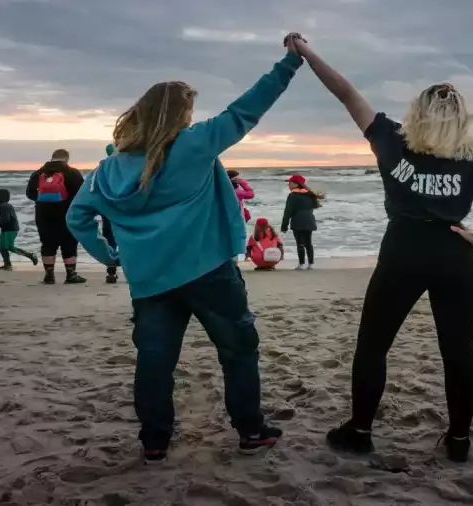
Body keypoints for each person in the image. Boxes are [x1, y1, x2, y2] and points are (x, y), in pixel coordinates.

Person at [289, 35, 473, 462]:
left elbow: (346, 92)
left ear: (416, 111)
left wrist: (306, 52)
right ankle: (458, 442)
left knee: (373, 347)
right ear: (460, 118)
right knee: (458, 352)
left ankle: (360, 432)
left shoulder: (390, 138)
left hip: (402, 254)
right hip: (455, 258)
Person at [66, 32, 305, 461]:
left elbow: (76, 218)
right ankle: (250, 431)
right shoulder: (194, 145)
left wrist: (109, 256)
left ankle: (155, 442)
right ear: (179, 115)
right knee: (237, 350)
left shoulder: (106, 170)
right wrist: (290, 62)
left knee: (155, 362)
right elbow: (248, 109)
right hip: (209, 272)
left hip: (150, 280)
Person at [26, 149, 86, 284]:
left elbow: (30, 194)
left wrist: (42, 200)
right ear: (66, 159)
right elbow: (82, 193)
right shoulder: (72, 173)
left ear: (52, 158)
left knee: (47, 243)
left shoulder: (38, 173)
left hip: (43, 214)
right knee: (69, 243)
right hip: (67, 213)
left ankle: (49, 276)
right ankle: (71, 274)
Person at [280, 174, 323, 270]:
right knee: (308, 243)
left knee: (300, 243)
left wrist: (284, 226)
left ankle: (302, 264)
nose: (289, 185)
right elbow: (314, 206)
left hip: (298, 221)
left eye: (290, 183)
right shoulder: (309, 194)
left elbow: (288, 212)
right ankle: (311, 263)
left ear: (296, 184)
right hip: (309, 220)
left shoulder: (292, 196)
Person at [0, 189, 39, 270]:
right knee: (7, 246)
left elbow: (6, 219)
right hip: (11, 229)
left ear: (0, 198)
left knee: (3, 247)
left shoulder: (3, 206)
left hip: (9, 230)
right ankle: (10, 263)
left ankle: (9, 264)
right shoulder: (7, 205)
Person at [101, 144, 120, 284]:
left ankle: (111, 271)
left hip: (107, 209)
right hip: (125, 209)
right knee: (129, 239)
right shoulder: (127, 166)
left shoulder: (102, 167)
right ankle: (131, 270)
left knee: (110, 239)